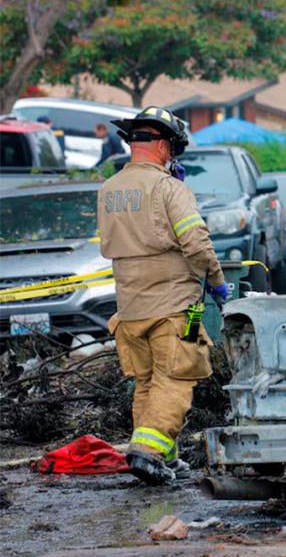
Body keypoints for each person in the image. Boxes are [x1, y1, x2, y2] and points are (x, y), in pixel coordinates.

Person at [98, 106, 227, 485]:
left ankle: (162, 455)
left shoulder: (108, 190)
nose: (172, 155)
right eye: (172, 147)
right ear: (161, 145)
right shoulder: (170, 188)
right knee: (176, 377)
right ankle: (148, 451)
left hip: (130, 309)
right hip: (176, 308)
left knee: (147, 382)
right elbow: (196, 243)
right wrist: (218, 282)